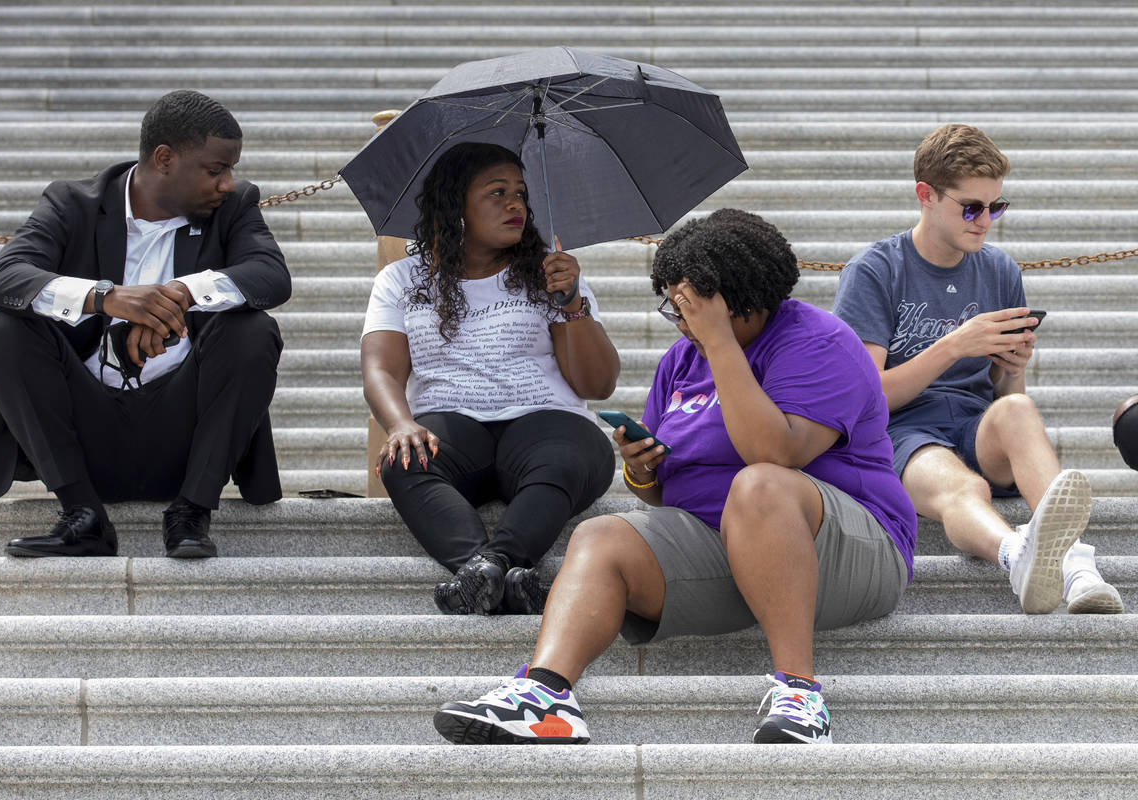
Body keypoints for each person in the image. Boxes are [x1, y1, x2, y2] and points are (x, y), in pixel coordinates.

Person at [433, 208, 916, 745]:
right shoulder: (681, 362)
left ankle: (799, 694)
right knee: (601, 534)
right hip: (730, 551)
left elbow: (774, 453)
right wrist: (641, 470)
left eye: (687, 306)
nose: (678, 320)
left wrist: (720, 344)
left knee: (759, 485)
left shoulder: (820, 343)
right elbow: (664, 495)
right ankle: (546, 696)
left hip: (849, 551)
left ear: (738, 302)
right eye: (673, 305)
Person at [0, 89, 290, 559]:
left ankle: (191, 513)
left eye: (231, 170)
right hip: (84, 435)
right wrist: (108, 299)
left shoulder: (234, 207)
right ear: (164, 158)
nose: (228, 182)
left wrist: (178, 294)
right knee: (5, 331)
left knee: (253, 329)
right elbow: (3, 278)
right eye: (215, 169)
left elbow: (271, 276)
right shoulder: (72, 203)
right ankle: (82, 515)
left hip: (184, 438)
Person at [833, 123, 1123, 614]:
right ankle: (1017, 556)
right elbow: (866, 399)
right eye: (971, 207)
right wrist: (952, 346)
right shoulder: (875, 270)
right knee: (965, 487)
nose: (985, 220)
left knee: (1018, 409)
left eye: (996, 206)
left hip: (974, 422)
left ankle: (1075, 565)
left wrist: (1011, 368)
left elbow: (1006, 392)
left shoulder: (1000, 270)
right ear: (926, 195)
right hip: (902, 432)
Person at [360, 142, 619, 616]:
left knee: (571, 456)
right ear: (455, 203)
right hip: (452, 424)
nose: (515, 204)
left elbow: (596, 384)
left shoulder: (551, 272)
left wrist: (570, 304)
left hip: (546, 422)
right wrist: (399, 424)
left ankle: (488, 568)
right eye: (497, 192)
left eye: (520, 192)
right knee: (405, 460)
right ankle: (493, 574)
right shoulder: (404, 279)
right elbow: (380, 368)